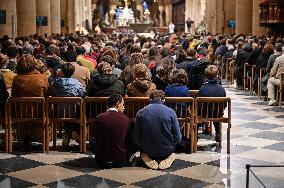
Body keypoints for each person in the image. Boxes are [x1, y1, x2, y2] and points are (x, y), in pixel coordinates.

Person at [132, 90, 182, 170]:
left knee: (144, 153)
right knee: (170, 152)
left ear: (149, 99)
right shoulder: (171, 112)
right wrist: (172, 144)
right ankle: (168, 157)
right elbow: (178, 137)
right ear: (164, 100)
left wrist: (142, 146)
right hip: (167, 149)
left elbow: (136, 137)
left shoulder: (141, 112)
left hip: (147, 149)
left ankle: (146, 157)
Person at [94, 94, 130, 168]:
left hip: (101, 161)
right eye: (123, 104)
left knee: (92, 140)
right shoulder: (125, 119)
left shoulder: (99, 117)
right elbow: (129, 140)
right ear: (117, 103)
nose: (124, 107)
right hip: (120, 161)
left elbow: (96, 138)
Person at [197, 65, 226, 141]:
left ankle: (195, 133)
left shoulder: (202, 89)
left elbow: (198, 104)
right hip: (217, 113)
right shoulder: (222, 89)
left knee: (197, 117)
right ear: (217, 75)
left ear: (206, 76)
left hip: (204, 114)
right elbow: (225, 105)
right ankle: (218, 132)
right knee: (216, 115)